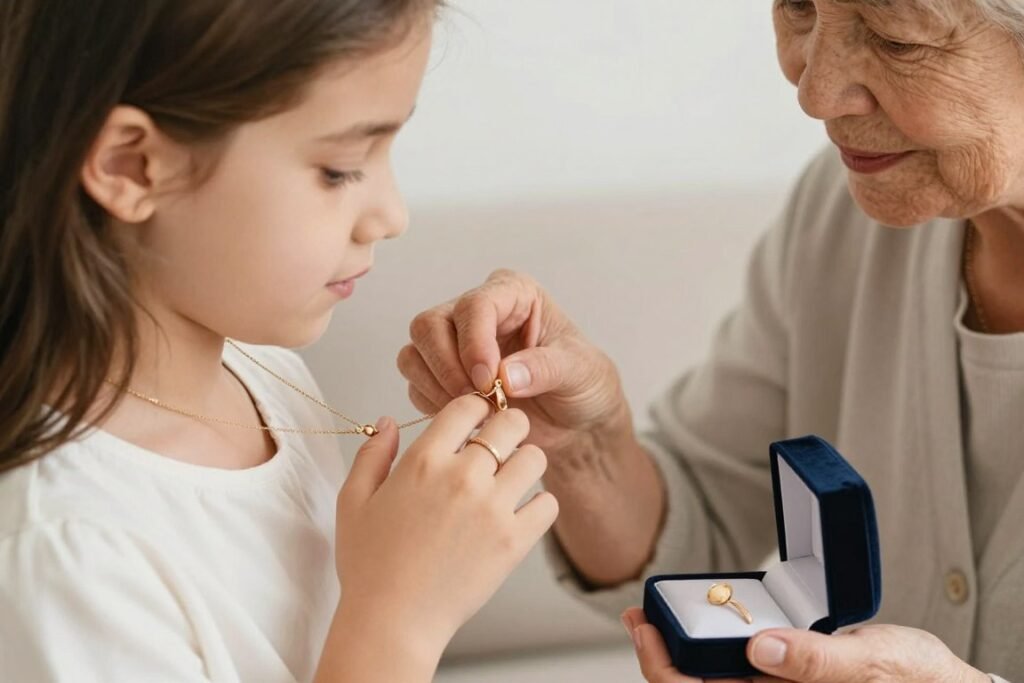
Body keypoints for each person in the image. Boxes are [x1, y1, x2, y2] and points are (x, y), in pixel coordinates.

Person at [399, 0, 1024, 680]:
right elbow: (706, 544)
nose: (815, 93)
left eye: (897, 39)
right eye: (799, 8)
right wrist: (582, 448)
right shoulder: (841, 208)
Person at [0, 2, 558, 681]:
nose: (392, 215)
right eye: (341, 168)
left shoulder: (269, 379)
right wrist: (400, 618)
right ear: (132, 166)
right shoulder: (65, 552)